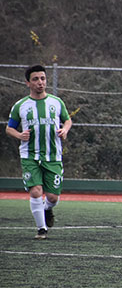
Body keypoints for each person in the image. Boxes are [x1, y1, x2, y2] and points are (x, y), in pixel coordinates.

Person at [6, 65, 73, 239]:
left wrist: (65, 130)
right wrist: (19, 135)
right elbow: (9, 128)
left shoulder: (56, 102)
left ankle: (47, 209)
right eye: (35, 79)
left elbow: (67, 120)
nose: (40, 82)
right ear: (28, 83)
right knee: (36, 191)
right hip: (30, 155)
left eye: (42, 78)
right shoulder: (20, 105)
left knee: (53, 197)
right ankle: (41, 229)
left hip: (53, 156)